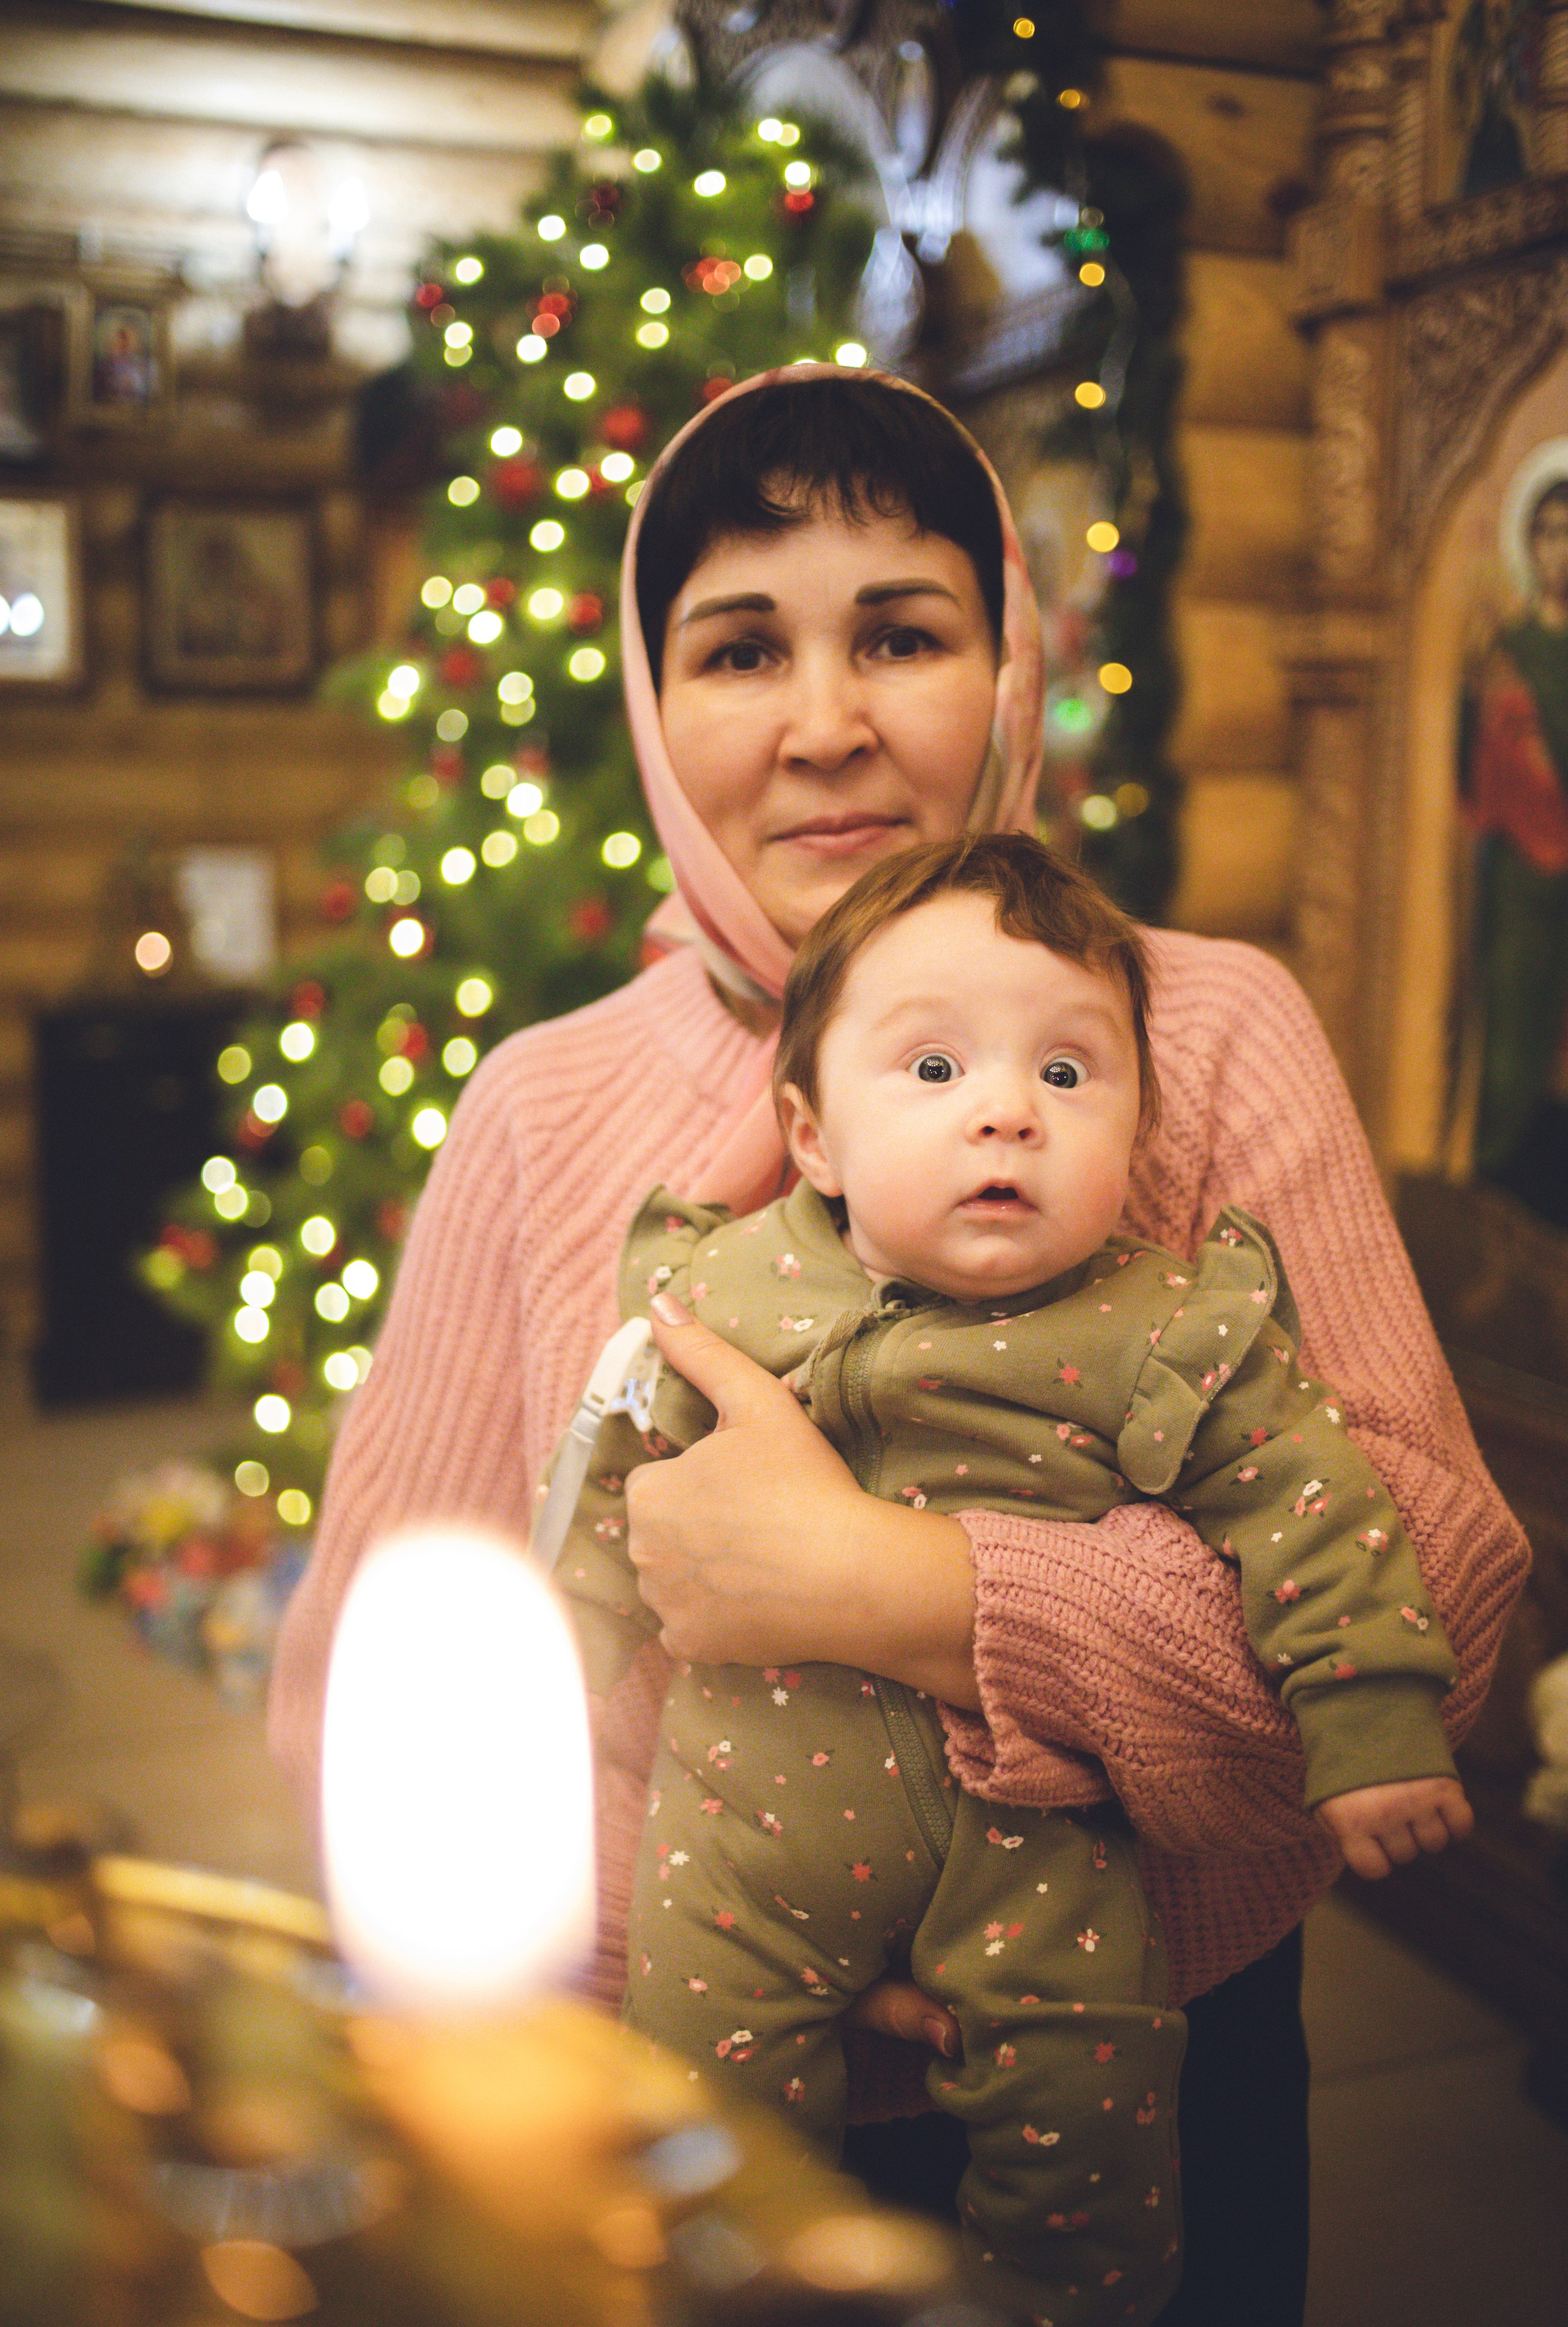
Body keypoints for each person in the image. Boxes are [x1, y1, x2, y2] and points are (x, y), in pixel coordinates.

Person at [268, 367, 1529, 2327]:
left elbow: (1439, 1586)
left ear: (1011, 661)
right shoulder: (540, 1107)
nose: (827, 721)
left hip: (1156, 2058)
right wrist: (737, 1930)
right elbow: (389, 1654)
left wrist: (905, 1591)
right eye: (741, 645)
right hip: (689, 2061)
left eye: (903, 632)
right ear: (653, 701)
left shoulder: (1196, 1031)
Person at [551, 831, 1470, 2325]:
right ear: (811, 1138)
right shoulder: (726, 1290)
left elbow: (1318, 1506)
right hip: (742, 1844)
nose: (1003, 1113)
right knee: (694, 2165)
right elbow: (609, 1494)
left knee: (1093, 2150)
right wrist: (559, 1665)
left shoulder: (1166, 1321)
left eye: (1065, 1073)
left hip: (1041, 1836)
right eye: (931, 1072)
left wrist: (1367, 1720)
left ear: (1136, 1129)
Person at [1460, 471, 1568, 1226]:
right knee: (1516, 1045)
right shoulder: (1507, 652)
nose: (1561, 551)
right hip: (1526, 887)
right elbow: (1488, 775)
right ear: (1528, 546)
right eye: (1549, 532)